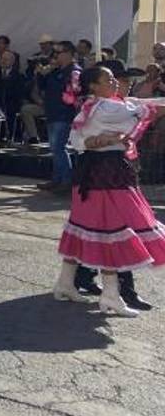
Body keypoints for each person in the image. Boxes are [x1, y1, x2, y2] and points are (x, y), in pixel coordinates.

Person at [53, 66, 165, 316]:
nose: (115, 83)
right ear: (94, 85)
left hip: (90, 173)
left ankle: (66, 283)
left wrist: (99, 140)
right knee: (112, 229)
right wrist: (106, 140)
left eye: (115, 79)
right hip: (107, 173)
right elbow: (146, 109)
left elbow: (78, 140)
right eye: (109, 79)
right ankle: (111, 295)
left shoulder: (90, 106)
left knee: (85, 227)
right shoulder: (107, 108)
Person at [39, 42, 82, 194]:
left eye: (59, 52)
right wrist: (42, 73)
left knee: (59, 147)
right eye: (54, 53)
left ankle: (66, 180)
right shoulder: (55, 71)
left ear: (70, 54)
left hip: (64, 114)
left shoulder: (74, 71)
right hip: (52, 112)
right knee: (54, 148)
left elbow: (75, 92)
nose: (56, 56)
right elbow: (42, 87)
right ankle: (57, 179)